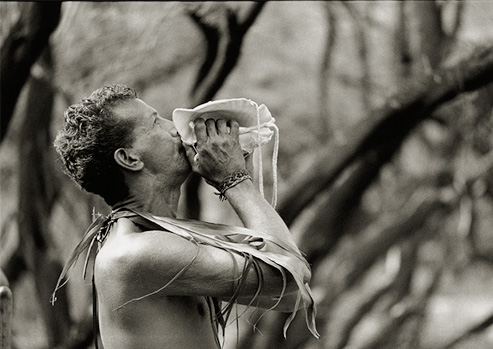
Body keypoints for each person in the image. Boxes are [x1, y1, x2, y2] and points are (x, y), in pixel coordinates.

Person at [52, 85, 317, 348]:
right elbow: (288, 274)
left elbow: (291, 296)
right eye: (156, 122)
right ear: (130, 158)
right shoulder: (133, 253)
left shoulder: (166, 237)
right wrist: (235, 179)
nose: (174, 129)